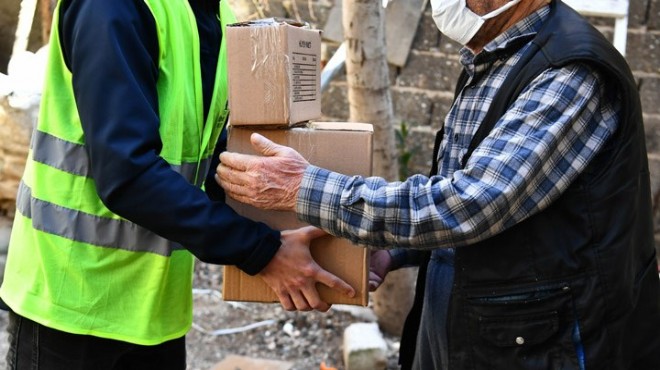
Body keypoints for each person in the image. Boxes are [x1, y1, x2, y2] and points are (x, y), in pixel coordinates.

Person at [217, 0, 660, 369]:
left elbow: (471, 203)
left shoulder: (568, 72)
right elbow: (460, 186)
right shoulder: (498, 57)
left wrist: (305, 189)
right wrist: (396, 250)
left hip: (543, 343)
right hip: (484, 329)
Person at [0, 0, 355, 368]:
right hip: (70, 302)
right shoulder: (111, 7)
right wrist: (261, 251)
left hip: (155, 311)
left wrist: (321, 236)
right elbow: (127, 175)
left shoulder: (220, 17)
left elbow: (212, 159)